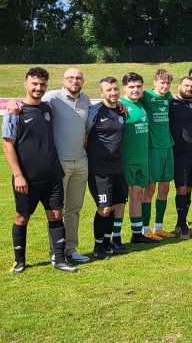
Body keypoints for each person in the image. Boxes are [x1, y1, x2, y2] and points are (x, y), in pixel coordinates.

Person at [3, 67, 76, 273]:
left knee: (55, 215)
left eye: (42, 84)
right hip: (26, 178)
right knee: (21, 217)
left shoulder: (48, 108)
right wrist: (18, 175)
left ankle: (60, 259)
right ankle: (19, 260)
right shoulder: (14, 112)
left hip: (53, 175)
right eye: (34, 83)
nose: (38, 88)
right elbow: (8, 145)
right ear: (25, 84)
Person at [41, 67, 91, 262]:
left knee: (74, 209)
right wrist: (13, 104)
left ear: (83, 81)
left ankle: (70, 249)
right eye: (70, 78)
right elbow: (31, 103)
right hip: (59, 163)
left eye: (78, 78)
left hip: (81, 161)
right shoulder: (52, 97)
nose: (74, 81)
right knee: (56, 210)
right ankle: (56, 251)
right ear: (63, 80)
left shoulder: (86, 100)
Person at [85, 77, 129, 259]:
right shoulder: (94, 111)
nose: (113, 93)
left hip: (117, 167)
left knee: (115, 206)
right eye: (109, 90)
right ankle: (97, 246)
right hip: (99, 169)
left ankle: (106, 242)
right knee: (103, 208)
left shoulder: (121, 111)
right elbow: (84, 138)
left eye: (115, 89)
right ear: (101, 93)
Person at [119, 73, 156, 244]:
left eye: (139, 86)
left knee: (137, 196)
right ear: (124, 88)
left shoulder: (141, 105)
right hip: (126, 161)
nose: (136, 89)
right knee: (121, 199)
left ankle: (137, 234)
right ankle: (116, 237)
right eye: (132, 87)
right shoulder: (119, 105)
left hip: (142, 160)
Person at [142, 69, 176, 240]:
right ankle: (145, 229)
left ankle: (159, 228)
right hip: (153, 148)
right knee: (150, 189)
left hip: (168, 146)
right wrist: (121, 104)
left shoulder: (168, 96)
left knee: (165, 188)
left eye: (168, 83)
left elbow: (176, 97)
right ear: (154, 81)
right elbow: (128, 99)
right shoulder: (146, 96)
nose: (165, 86)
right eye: (162, 82)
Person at [169, 76, 192, 238]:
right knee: (181, 188)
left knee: (188, 188)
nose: (189, 88)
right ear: (179, 86)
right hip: (178, 153)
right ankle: (182, 227)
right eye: (186, 85)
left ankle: (181, 222)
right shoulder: (171, 103)